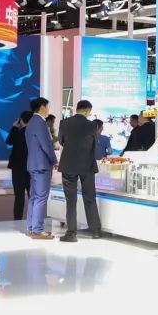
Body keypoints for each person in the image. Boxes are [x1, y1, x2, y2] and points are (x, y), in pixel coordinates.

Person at [57, 101, 102, 242]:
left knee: (71, 200)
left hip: (69, 164)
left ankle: (71, 234)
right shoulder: (92, 125)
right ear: (87, 111)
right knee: (90, 198)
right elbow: (95, 144)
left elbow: (61, 141)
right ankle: (95, 231)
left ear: (77, 109)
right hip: (87, 165)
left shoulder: (64, 123)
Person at [25, 98, 57, 240]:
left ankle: (31, 228)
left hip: (33, 164)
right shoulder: (40, 122)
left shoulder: (31, 122)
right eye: (47, 106)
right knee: (41, 197)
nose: (48, 109)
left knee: (34, 197)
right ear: (42, 107)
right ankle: (37, 230)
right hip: (42, 165)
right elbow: (46, 145)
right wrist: (54, 160)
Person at [6, 111, 32, 222]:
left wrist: (14, 127)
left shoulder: (17, 132)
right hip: (31, 168)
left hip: (17, 168)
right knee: (32, 196)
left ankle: (17, 219)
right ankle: (33, 219)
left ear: (20, 120)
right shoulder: (35, 134)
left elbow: (8, 141)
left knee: (19, 196)